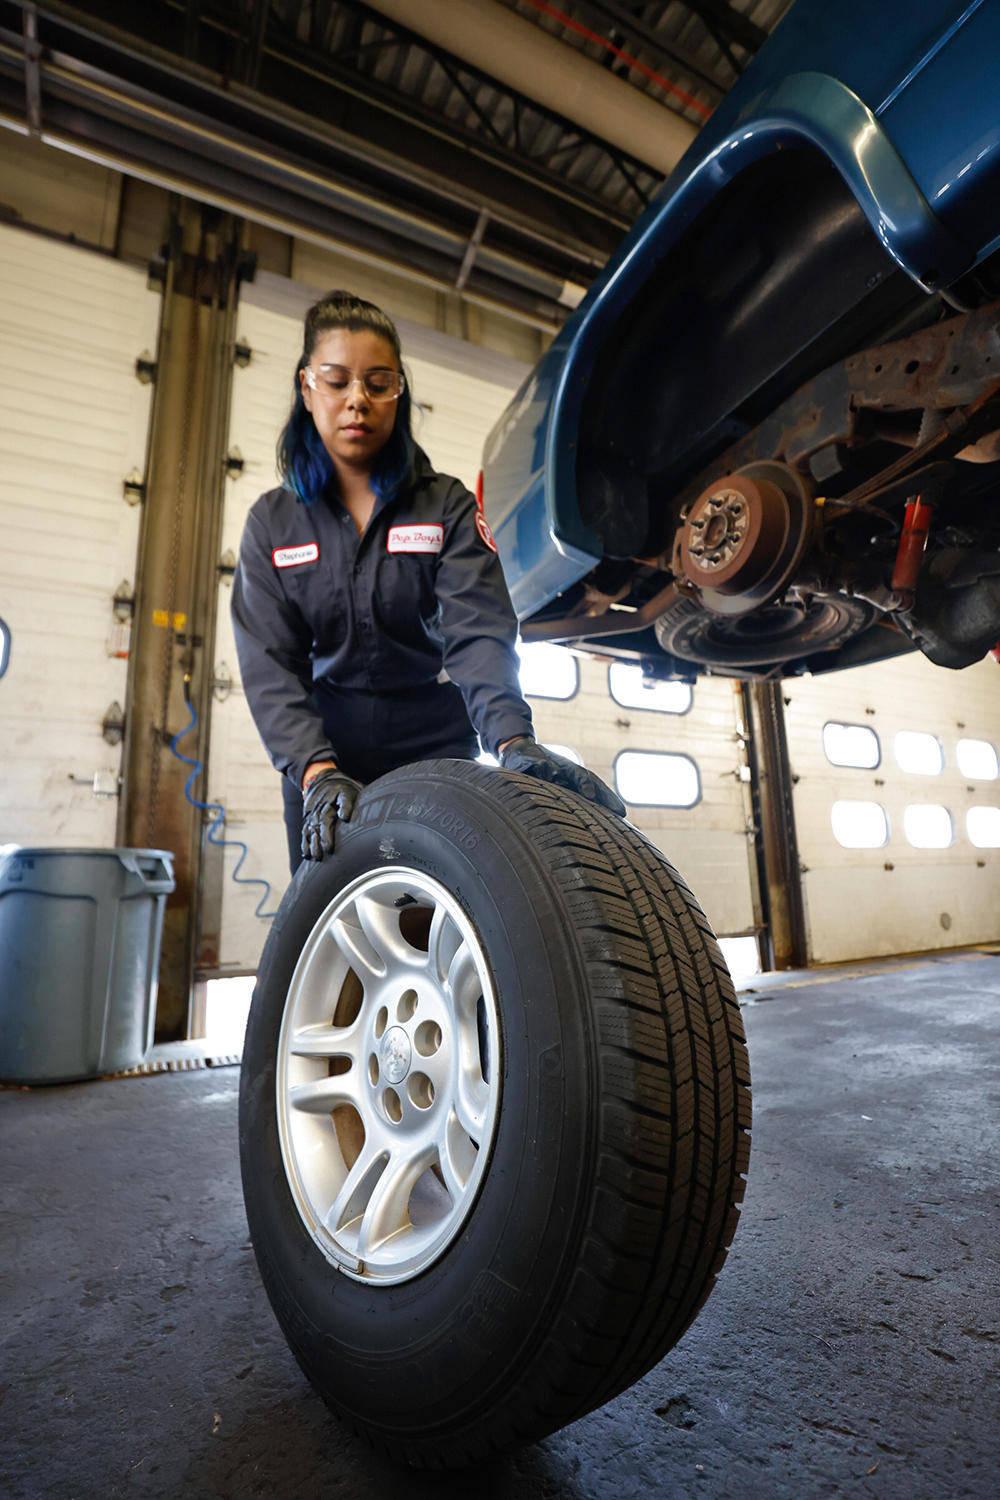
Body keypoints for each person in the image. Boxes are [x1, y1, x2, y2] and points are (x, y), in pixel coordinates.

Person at [231, 289, 624, 872]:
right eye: (337, 381)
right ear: (307, 386)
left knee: (442, 904)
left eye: (378, 382)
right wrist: (315, 771)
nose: (357, 401)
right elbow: (270, 665)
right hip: (327, 751)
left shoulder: (446, 507)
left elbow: (478, 632)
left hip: (435, 742)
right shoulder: (272, 522)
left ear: (399, 391)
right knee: (331, 921)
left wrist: (512, 741)